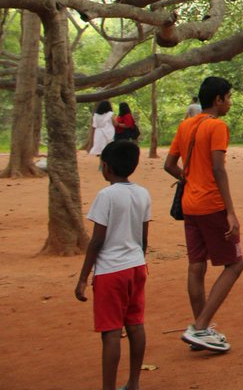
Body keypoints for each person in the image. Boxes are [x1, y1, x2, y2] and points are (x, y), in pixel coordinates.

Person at [164, 77, 243, 352]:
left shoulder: (186, 125)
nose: (230, 102)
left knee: (196, 265)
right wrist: (230, 212)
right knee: (235, 264)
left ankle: (202, 330)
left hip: (189, 206)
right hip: (211, 205)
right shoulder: (217, 126)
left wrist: (187, 180)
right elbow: (219, 168)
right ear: (218, 99)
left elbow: (169, 164)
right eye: (228, 97)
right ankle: (200, 327)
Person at [75, 140, 152, 390]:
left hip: (111, 271)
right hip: (136, 266)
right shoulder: (143, 193)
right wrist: (138, 258)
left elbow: (97, 241)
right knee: (136, 325)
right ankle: (134, 382)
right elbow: (143, 237)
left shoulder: (106, 196)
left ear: (106, 167)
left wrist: (83, 277)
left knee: (110, 332)